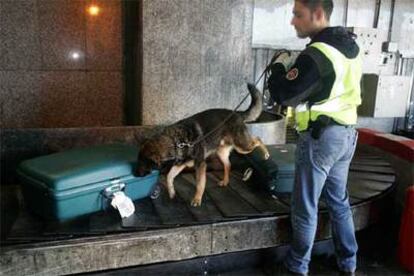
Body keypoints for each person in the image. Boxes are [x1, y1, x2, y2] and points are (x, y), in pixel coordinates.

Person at [267, 0, 361, 275]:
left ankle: (297, 265)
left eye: (298, 14)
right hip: (346, 136)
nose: (293, 21)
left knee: (304, 205)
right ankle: (348, 262)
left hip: (321, 139)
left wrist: (277, 71)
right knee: (339, 201)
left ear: (318, 14)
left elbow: (285, 95)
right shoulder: (350, 46)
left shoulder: (317, 54)